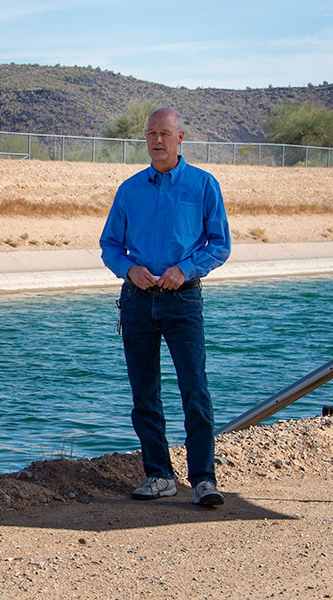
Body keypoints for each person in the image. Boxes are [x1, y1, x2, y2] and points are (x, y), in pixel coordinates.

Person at [99, 107, 231, 506]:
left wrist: (185, 269)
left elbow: (219, 244)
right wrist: (129, 268)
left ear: (180, 138)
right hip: (137, 302)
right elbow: (109, 245)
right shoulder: (130, 189)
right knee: (145, 395)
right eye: (151, 133)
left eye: (165, 133)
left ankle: (203, 480)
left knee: (195, 391)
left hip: (183, 301)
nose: (157, 140)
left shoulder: (204, 186)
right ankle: (158, 476)